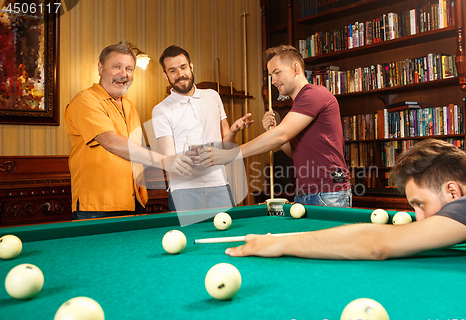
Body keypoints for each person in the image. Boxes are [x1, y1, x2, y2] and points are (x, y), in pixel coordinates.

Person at [224, 138, 466, 259]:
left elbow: (378, 244)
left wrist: (279, 243)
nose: (418, 217)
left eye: (421, 204)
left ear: (453, 191)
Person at [199, 45, 351, 207]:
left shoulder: (313, 94)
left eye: (277, 72)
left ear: (296, 68)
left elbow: (280, 136)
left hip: (328, 193)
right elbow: (295, 152)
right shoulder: (298, 105)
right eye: (271, 75)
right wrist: (273, 130)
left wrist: (230, 155)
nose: (274, 81)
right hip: (306, 193)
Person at [65, 43, 193, 220]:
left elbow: (138, 149)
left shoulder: (130, 106)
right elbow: (111, 141)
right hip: (97, 206)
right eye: (116, 66)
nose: (123, 74)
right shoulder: (85, 101)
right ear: (100, 68)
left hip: (135, 202)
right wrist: (166, 161)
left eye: (129, 69)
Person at [151, 45, 253, 212]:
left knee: (227, 235)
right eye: (172, 71)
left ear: (191, 67)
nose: (180, 74)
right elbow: (169, 159)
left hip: (219, 184)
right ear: (165, 74)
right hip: (183, 190)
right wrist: (191, 159)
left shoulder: (213, 96)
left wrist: (233, 131)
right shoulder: (161, 110)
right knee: (187, 238)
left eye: (183, 67)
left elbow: (225, 146)